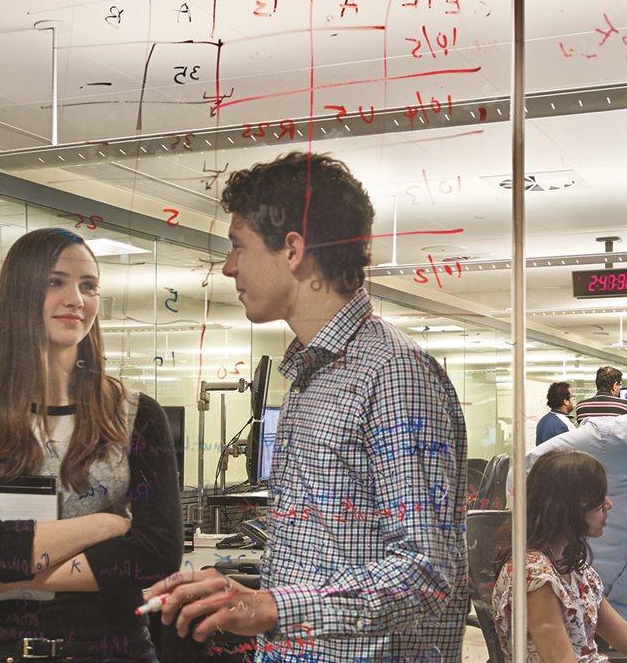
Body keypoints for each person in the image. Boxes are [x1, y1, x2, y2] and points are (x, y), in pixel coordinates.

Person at [145, 152, 469, 661]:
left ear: (292, 250)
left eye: (238, 247)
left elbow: (425, 573)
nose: (229, 267)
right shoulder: (309, 374)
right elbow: (327, 555)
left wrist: (272, 605)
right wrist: (236, 583)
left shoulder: (393, 373)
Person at [0, 228, 183, 662]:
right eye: (55, 282)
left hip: (115, 651)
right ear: (19, 294)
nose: (76, 300)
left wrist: (5, 575)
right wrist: (106, 526)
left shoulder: (136, 416)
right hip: (5, 652)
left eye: (89, 286)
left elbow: (157, 555)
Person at [493, 450, 627, 661]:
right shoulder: (535, 576)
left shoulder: (577, 570)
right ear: (569, 505)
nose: (608, 505)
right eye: (598, 498)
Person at [524, 413, 627, 624]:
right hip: (575, 604)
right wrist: (561, 533)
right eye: (600, 498)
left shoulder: (586, 578)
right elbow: (527, 471)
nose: (609, 505)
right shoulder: (613, 440)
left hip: (600, 602)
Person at [535, 381, 576, 445]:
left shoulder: (542, 421)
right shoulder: (565, 425)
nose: (574, 399)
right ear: (566, 401)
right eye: (572, 396)